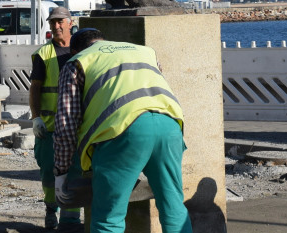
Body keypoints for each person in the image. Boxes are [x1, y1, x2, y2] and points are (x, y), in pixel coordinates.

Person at [53, 28, 192, 233]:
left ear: (74, 50)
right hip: (169, 124)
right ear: (101, 40)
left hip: (123, 129)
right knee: (173, 207)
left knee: (109, 218)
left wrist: (61, 172)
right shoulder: (145, 51)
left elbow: (66, 123)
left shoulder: (78, 61)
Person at [29, 6, 82, 232]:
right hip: (51, 127)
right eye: (52, 23)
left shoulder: (82, 50)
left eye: (60, 21)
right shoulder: (44, 54)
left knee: (76, 173)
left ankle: (70, 222)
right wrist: (35, 118)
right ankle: (52, 209)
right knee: (50, 172)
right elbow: (35, 88)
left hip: (78, 125)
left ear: (71, 23)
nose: (56, 26)